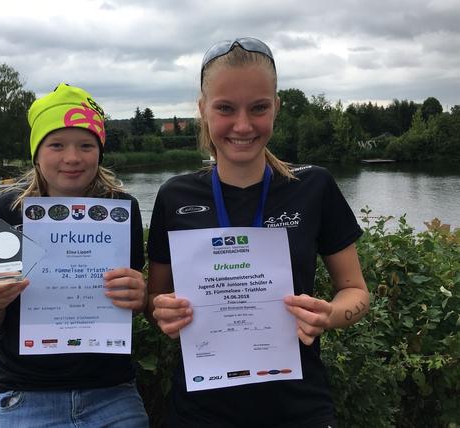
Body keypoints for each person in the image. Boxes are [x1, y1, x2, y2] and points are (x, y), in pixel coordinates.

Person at [146, 38, 370, 427]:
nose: (244, 125)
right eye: (225, 108)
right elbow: (156, 301)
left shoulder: (314, 187)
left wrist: (330, 315)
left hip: (300, 411)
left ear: (276, 108)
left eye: (259, 108)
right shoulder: (174, 196)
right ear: (203, 109)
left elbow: (357, 292)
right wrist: (161, 311)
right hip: (200, 413)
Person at [0, 83, 149, 427]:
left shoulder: (121, 210)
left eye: (85, 145)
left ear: (100, 150)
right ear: (36, 152)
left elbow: (130, 305)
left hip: (112, 393)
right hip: (27, 396)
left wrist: (139, 296)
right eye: (56, 145)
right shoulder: (9, 211)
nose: (72, 158)